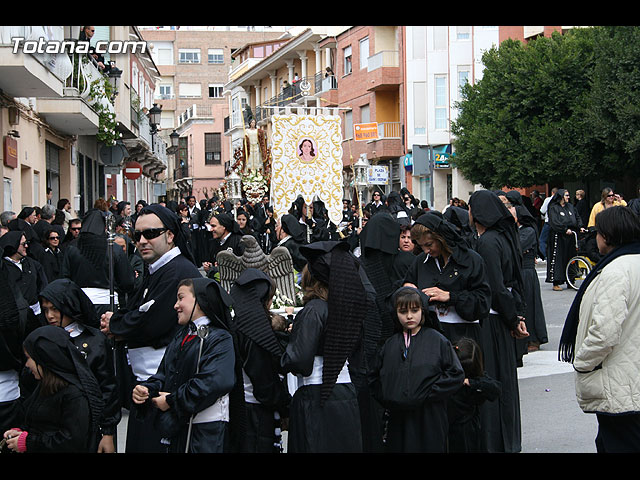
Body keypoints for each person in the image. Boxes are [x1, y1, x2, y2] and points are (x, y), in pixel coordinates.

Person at [100, 203, 201, 453]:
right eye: (137, 235)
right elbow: (139, 309)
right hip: (144, 385)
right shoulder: (155, 269)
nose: (142, 240)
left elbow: (152, 322)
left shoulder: (179, 271)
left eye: (151, 234)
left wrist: (117, 324)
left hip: (163, 386)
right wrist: (120, 322)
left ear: (170, 235)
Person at [559, 206, 640, 453]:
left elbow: (604, 332)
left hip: (620, 383)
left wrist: (583, 362)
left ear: (608, 235)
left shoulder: (616, 270)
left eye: (598, 233)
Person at [131, 277, 240, 453]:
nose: (175, 305)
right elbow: (164, 374)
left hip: (205, 434)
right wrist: (146, 390)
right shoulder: (181, 336)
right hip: (178, 430)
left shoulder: (220, 338)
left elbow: (216, 381)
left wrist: (172, 401)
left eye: (181, 298)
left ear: (199, 301)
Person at [281, 241, 365, 452]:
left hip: (316, 395)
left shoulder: (315, 310)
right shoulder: (348, 309)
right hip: (346, 395)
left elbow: (299, 360)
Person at [368, 286, 464, 452]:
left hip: (430, 415)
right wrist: (391, 395)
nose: (409, 316)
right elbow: (374, 377)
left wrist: (428, 392)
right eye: (403, 311)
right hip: (399, 417)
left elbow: (455, 374)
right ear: (395, 313)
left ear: (423, 310)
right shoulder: (389, 345)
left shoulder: (437, 340)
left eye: (415, 310)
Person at [468, 189, 528, 453]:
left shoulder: (488, 242)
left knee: (494, 382)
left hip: (493, 323)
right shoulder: (500, 238)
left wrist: (513, 319)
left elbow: (495, 287)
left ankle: (496, 443)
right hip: (502, 320)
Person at [37, 279, 120, 453]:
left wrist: (108, 433)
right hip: (53, 430)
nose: (50, 316)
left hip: (87, 428)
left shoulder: (95, 341)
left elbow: (107, 389)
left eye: (55, 308)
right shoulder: (43, 340)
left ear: (69, 306)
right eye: (45, 310)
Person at [2, 325, 104, 453]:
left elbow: (71, 442)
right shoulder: (43, 386)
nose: (27, 365)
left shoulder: (75, 395)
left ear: (44, 359)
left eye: (29, 358)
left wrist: (29, 442)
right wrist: (21, 434)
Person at [403, 211, 491, 346]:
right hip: (430, 337)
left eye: (429, 244)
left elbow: (482, 302)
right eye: (421, 246)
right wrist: (407, 288)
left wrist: (451, 297)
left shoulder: (471, 260)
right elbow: (407, 283)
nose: (426, 251)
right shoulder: (421, 262)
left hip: (464, 336)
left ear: (441, 238)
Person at [230, 269, 291, 453]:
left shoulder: (237, 325)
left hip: (240, 408)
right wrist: (285, 405)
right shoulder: (257, 333)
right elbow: (265, 384)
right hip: (256, 413)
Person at [61, 209, 135, 315]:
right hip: (107, 303)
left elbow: (65, 277)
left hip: (79, 303)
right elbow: (127, 281)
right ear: (104, 227)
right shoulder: (113, 248)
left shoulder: (72, 248)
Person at [506, 191, 548, 355]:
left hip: (527, 272)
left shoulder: (528, 230)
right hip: (519, 271)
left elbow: (517, 248)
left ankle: (534, 338)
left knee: (530, 305)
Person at [447, 337, 501, 453]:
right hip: (450, 427)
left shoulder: (474, 381)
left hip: (466, 428)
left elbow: (495, 389)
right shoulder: (445, 378)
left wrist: (471, 382)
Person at [546, 189, 584, 291]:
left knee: (571, 257)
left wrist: (580, 226)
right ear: (561, 197)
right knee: (558, 258)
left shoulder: (570, 207)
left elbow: (577, 217)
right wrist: (564, 229)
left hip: (571, 235)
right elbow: (554, 221)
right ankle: (556, 282)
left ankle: (570, 279)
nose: (568, 197)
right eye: (566, 195)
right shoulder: (554, 208)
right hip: (558, 236)